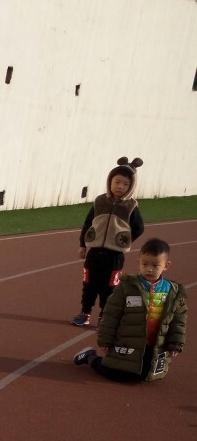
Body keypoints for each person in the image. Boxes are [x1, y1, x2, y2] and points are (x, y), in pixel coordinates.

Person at [73, 238, 186, 383]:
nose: (149, 269)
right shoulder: (126, 287)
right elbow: (111, 314)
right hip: (127, 342)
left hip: (155, 345)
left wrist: (175, 343)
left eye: (155, 265)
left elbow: (179, 320)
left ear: (166, 265)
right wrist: (105, 340)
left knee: (147, 376)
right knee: (125, 376)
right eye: (144, 264)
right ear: (138, 262)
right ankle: (90, 357)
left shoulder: (172, 292)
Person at [71, 156, 145, 327]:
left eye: (125, 184)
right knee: (89, 285)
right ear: (110, 181)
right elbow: (88, 223)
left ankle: (105, 316)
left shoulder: (131, 206)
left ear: (131, 186)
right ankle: (85, 313)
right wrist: (82, 244)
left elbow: (139, 228)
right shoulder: (100, 201)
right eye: (117, 182)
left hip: (114, 257)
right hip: (94, 254)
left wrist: (124, 241)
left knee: (109, 289)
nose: (120, 186)